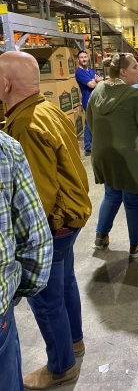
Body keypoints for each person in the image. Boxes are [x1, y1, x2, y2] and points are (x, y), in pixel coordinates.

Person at [0, 51, 92, 390]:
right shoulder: (47, 107)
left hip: (55, 224)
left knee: (46, 298)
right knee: (65, 284)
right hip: (71, 218)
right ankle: (75, 342)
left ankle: (62, 366)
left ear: (6, 83)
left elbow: (38, 197)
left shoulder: (24, 125)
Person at [86, 53, 138, 256]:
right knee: (133, 201)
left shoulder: (98, 90)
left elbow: (90, 122)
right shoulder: (135, 97)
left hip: (106, 156)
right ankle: (136, 244)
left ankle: (101, 237)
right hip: (131, 160)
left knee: (111, 195)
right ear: (123, 71)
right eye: (135, 67)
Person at [0, 131, 53, 391]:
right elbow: (35, 239)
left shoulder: (20, 128)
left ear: (7, 86)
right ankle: (65, 360)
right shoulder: (6, 146)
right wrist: (12, 293)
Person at [75, 50, 103, 155]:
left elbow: (100, 78)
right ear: (78, 60)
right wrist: (96, 80)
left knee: (93, 122)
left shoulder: (90, 70)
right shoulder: (79, 72)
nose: (84, 59)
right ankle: (88, 147)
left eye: (85, 57)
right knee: (89, 123)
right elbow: (91, 84)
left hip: (95, 98)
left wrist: (96, 80)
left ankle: (93, 144)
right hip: (88, 100)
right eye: (81, 57)